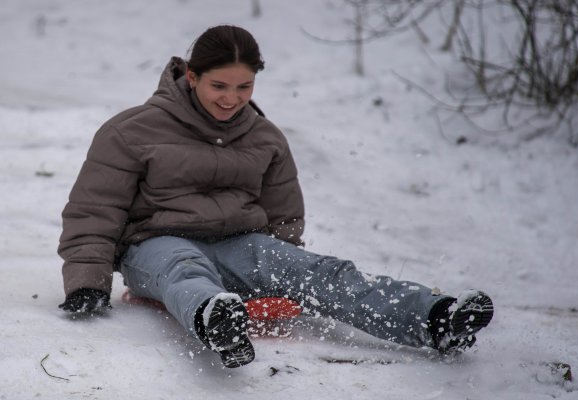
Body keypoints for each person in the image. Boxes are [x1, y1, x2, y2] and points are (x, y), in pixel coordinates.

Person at [58, 25, 494, 368]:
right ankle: (217, 322)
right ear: (191, 77)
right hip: (154, 246)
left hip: (237, 244)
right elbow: (95, 210)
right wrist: (87, 283)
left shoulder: (264, 137)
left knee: (325, 272)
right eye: (219, 87)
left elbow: (284, 213)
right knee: (183, 268)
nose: (232, 99)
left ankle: (436, 319)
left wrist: (282, 272)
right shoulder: (132, 131)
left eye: (244, 87)